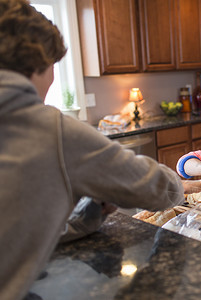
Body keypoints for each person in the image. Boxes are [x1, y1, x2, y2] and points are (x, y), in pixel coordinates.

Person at [0, 1, 184, 299]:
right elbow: (162, 189)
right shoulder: (52, 131)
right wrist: (178, 181)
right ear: (40, 64)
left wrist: (82, 222)